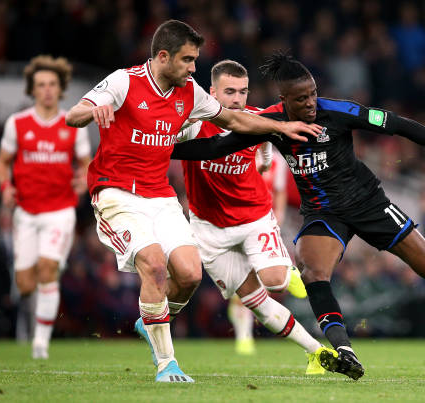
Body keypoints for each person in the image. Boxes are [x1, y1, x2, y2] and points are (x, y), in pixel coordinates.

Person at [170, 52, 425, 380]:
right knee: (313, 272)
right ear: (284, 100)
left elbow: (400, 125)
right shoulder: (271, 124)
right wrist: (159, 146)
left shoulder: (339, 111)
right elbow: (214, 148)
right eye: (302, 98)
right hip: (323, 214)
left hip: (368, 203)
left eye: (313, 93)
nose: (311, 102)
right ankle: (344, 350)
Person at [65, 22, 321, 383]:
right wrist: (94, 111)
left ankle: (150, 319)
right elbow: (73, 114)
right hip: (116, 193)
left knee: (188, 274)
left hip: (160, 195)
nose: (193, 68)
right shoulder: (124, 81)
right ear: (163, 56)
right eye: (187, 60)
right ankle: (167, 363)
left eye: (195, 60)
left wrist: (281, 129)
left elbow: (232, 118)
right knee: (154, 265)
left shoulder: (190, 93)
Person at [178, 59, 337, 375]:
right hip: (208, 230)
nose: (237, 99)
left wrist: (265, 159)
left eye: (242, 91)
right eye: (229, 92)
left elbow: (267, 141)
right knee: (256, 305)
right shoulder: (193, 125)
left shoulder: (255, 119)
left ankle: (288, 270)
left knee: (275, 281)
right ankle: (316, 353)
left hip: (253, 217)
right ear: (212, 92)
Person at [0, 55, 91, 359]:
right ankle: (30, 319)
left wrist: (83, 181)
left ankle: (40, 343)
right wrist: (6, 187)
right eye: (41, 85)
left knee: (47, 270)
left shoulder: (72, 123)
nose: (47, 90)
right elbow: (2, 164)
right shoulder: (17, 124)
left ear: (59, 88)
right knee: (24, 283)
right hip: (26, 211)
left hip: (60, 210)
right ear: (32, 89)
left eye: (52, 84)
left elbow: (86, 163)